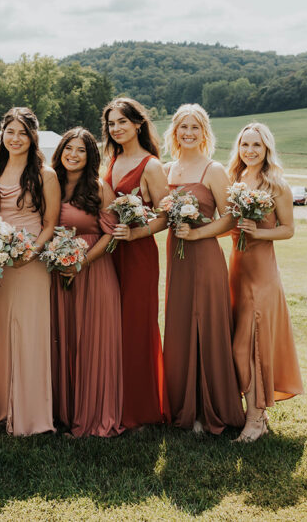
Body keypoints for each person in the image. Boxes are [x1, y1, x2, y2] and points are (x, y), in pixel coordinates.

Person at [162, 104, 245, 434]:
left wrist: (196, 231)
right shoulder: (168, 168)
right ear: (175, 131)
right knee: (181, 324)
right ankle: (183, 405)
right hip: (177, 255)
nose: (188, 132)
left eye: (195, 127)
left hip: (205, 255)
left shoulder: (213, 169)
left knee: (206, 323)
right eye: (183, 127)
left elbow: (230, 217)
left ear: (204, 132)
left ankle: (209, 409)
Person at [226, 122, 304, 442]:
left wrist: (257, 232)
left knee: (251, 344)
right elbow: (225, 222)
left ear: (267, 148)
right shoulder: (234, 180)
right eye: (245, 145)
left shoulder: (276, 185)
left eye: (257, 145)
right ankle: (252, 410)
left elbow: (287, 229)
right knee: (238, 345)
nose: (250, 151)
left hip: (263, 275)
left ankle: (256, 418)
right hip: (237, 270)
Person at [0, 107, 60, 436]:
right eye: (9, 131)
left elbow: (50, 224)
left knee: (29, 333)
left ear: (33, 137)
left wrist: (30, 253)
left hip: (31, 262)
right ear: (2, 134)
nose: (15, 139)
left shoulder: (46, 175)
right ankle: (0, 409)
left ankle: (31, 414)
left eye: (22, 133)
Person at [49, 127, 124, 437]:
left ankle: (94, 417)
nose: (73, 155)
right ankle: (64, 413)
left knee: (93, 341)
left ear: (90, 155)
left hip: (94, 270)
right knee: (64, 339)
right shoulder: (51, 184)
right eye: (69, 148)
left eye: (81, 150)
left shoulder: (99, 188)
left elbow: (111, 233)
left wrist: (82, 262)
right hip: (59, 272)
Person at [101, 97, 170, 428]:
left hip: (138, 254)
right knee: (114, 325)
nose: (116, 129)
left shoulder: (152, 165)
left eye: (122, 123)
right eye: (111, 124)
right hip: (112, 252)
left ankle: (141, 409)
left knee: (137, 326)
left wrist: (138, 233)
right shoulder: (111, 161)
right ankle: (114, 398)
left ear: (138, 125)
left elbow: (165, 215)